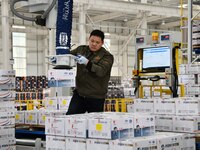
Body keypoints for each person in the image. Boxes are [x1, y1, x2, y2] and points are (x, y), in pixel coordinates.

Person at [66, 29, 114, 115]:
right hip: (79, 95)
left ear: (102, 43)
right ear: (89, 39)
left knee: (95, 125)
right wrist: (60, 59)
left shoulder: (107, 56)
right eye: (92, 41)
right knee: (70, 119)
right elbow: (68, 56)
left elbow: (101, 71)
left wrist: (87, 63)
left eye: (97, 42)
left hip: (96, 97)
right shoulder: (81, 49)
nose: (94, 44)